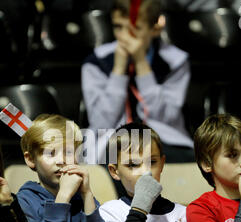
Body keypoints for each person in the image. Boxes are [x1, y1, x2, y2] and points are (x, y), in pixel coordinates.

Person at [81, 0, 194, 164]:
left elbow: (167, 117)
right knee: (117, 160)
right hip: (112, 139)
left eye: (135, 29)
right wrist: (118, 71)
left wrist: (141, 64)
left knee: (181, 161)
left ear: (155, 29)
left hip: (162, 136)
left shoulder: (175, 61)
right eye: (119, 27)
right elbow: (100, 123)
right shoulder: (96, 62)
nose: (125, 37)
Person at [99, 122, 197, 222]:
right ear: (114, 171)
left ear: (162, 164)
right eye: (132, 165)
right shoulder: (109, 211)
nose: (146, 172)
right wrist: (140, 207)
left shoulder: (183, 214)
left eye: (152, 162)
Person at [16, 114, 108, 222]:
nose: (61, 160)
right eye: (50, 153)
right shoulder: (24, 201)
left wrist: (87, 194)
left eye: (69, 153)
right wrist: (63, 197)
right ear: (31, 159)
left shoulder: (84, 200)